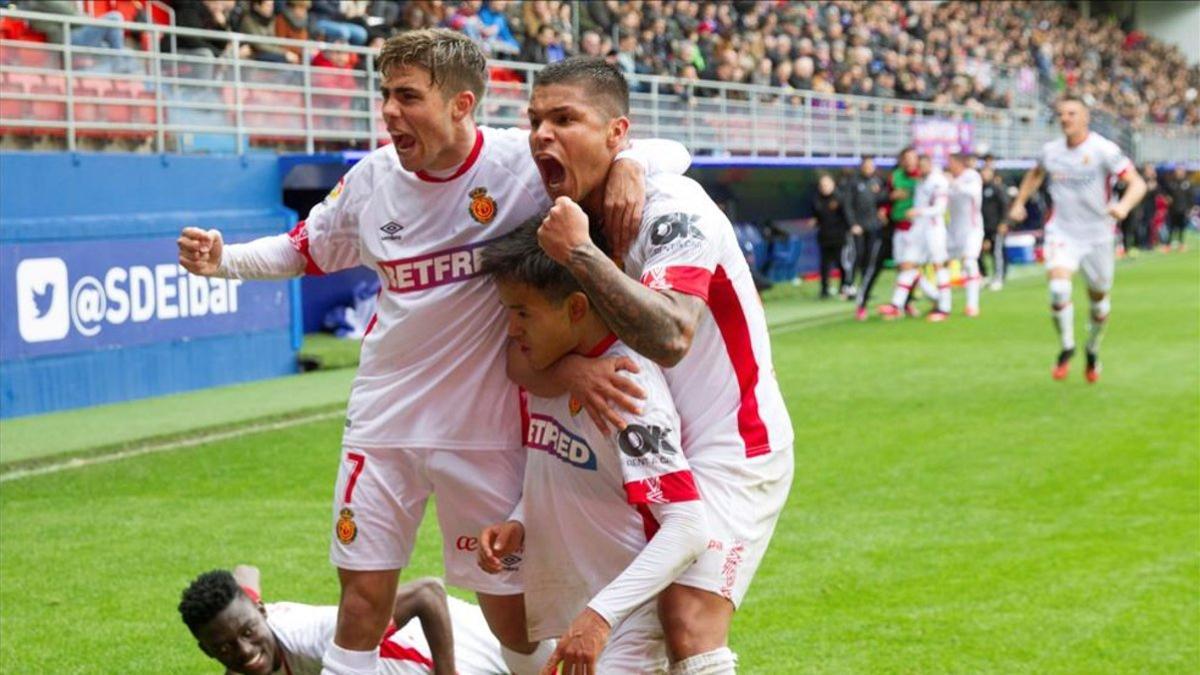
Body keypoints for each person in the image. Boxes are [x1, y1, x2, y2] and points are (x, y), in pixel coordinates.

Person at [176, 30, 689, 675]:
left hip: (484, 432)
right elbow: (302, 248)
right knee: (362, 602)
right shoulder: (370, 181)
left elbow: (666, 149)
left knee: (515, 620)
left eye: (408, 97)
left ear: (460, 104)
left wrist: (635, 167)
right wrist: (223, 261)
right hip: (384, 425)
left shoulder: (517, 166)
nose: (390, 112)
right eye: (385, 95)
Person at [523, 57, 794, 675]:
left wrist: (583, 251)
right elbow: (521, 351)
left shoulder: (675, 211)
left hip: (733, 441)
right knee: (629, 637)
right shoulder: (567, 188)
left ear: (617, 134)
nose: (543, 133)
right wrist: (571, 373)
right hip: (645, 435)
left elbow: (671, 335)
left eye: (564, 118)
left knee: (689, 620)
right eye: (535, 119)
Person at [476, 221, 710, 673]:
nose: (511, 328)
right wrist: (520, 521)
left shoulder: (627, 388)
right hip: (582, 613)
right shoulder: (555, 369)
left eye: (522, 313)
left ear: (577, 308)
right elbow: (582, 467)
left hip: (623, 629)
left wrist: (601, 617)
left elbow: (687, 525)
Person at [1008, 96, 1146, 383]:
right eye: (1061, 114)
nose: (1065, 118)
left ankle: (1092, 348)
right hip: (1062, 232)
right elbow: (1034, 175)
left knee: (1099, 303)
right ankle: (1067, 346)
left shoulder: (1103, 150)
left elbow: (1137, 183)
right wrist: (1020, 201)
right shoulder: (1051, 151)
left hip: (1098, 236)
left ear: (1085, 118)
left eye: (1072, 113)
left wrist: (1123, 207)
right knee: (1058, 288)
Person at [179, 566, 507, 674]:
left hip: (445, 645)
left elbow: (427, 593)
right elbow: (245, 571)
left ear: (262, 611)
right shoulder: (243, 615)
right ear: (207, 651)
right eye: (223, 647)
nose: (245, 652)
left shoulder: (311, 636)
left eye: (248, 632)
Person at [879, 153, 950, 321]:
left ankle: (944, 307)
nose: (921, 168)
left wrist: (919, 212)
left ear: (930, 164)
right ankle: (897, 305)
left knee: (939, 266)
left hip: (934, 230)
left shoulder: (938, 181)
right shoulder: (920, 182)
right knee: (907, 265)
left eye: (924, 165)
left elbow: (940, 208)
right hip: (918, 229)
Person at [878, 146, 923, 319]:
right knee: (902, 267)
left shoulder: (922, 177)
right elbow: (886, 197)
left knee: (909, 266)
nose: (910, 161)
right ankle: (906, 303)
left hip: (917, 228)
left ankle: (900, 304)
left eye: (913, 158)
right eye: (907, 158)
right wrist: (886, 205)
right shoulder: (895, 176)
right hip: (898, 227)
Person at [844, 156, 887, 320]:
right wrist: (853, 224)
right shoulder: (854, 182)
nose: (869, 168)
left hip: (873, 227)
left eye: (871, 166)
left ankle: (863, 287)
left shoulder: (877, 182)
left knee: (870, 259)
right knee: (856, 256)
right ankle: (849, 285)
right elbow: (848, 204)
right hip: (858, 227)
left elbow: (883, 200)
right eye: (866, 165)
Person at [946, 152, 984, 317]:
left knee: (969, 262)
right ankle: (938, 299)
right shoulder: (949, 179)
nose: (949, 166)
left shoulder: (971, 176)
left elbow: (971, 193)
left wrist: (952, 183)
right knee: (937, 261)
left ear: (959, 163)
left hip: (972, 229)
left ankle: (972, 305)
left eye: (951, 163)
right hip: (953, 229)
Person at [811, 174, 851, 299]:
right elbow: (817, 217)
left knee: (841, 263)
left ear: (833, 185)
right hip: (824, 237)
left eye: (827, 185)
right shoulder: (817, 200)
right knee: (824, 265)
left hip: (839, 236)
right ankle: (824, 290)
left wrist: (849, 229)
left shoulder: (840, 198)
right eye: (822, 185)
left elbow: (847, 216)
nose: (824, 187)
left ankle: (844, 287)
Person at [979, 160, 1010, 290]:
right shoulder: (978, 188)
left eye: (987, 172)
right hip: (981, 227)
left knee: (997, 252)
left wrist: (1004, 222)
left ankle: (999, 277)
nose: (984, 174)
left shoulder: (997, 188)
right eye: (983, 172)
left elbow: (1005, 206)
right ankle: (984, 275)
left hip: (996, 226)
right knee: (978, 252)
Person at [1161, 165, 1196, 251]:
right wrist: (1166, 198)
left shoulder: (1187, 183)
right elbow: (1164, 193)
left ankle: (1181, 244)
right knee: (1171, 227)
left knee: (1182, 227)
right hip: (1173, 209)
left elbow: (1191, 197)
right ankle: (1168, 245)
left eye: (1180, 171)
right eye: (1177, 171)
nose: (1179, 172)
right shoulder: (1171, 183)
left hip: (1183, 209)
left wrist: (1190, 208)